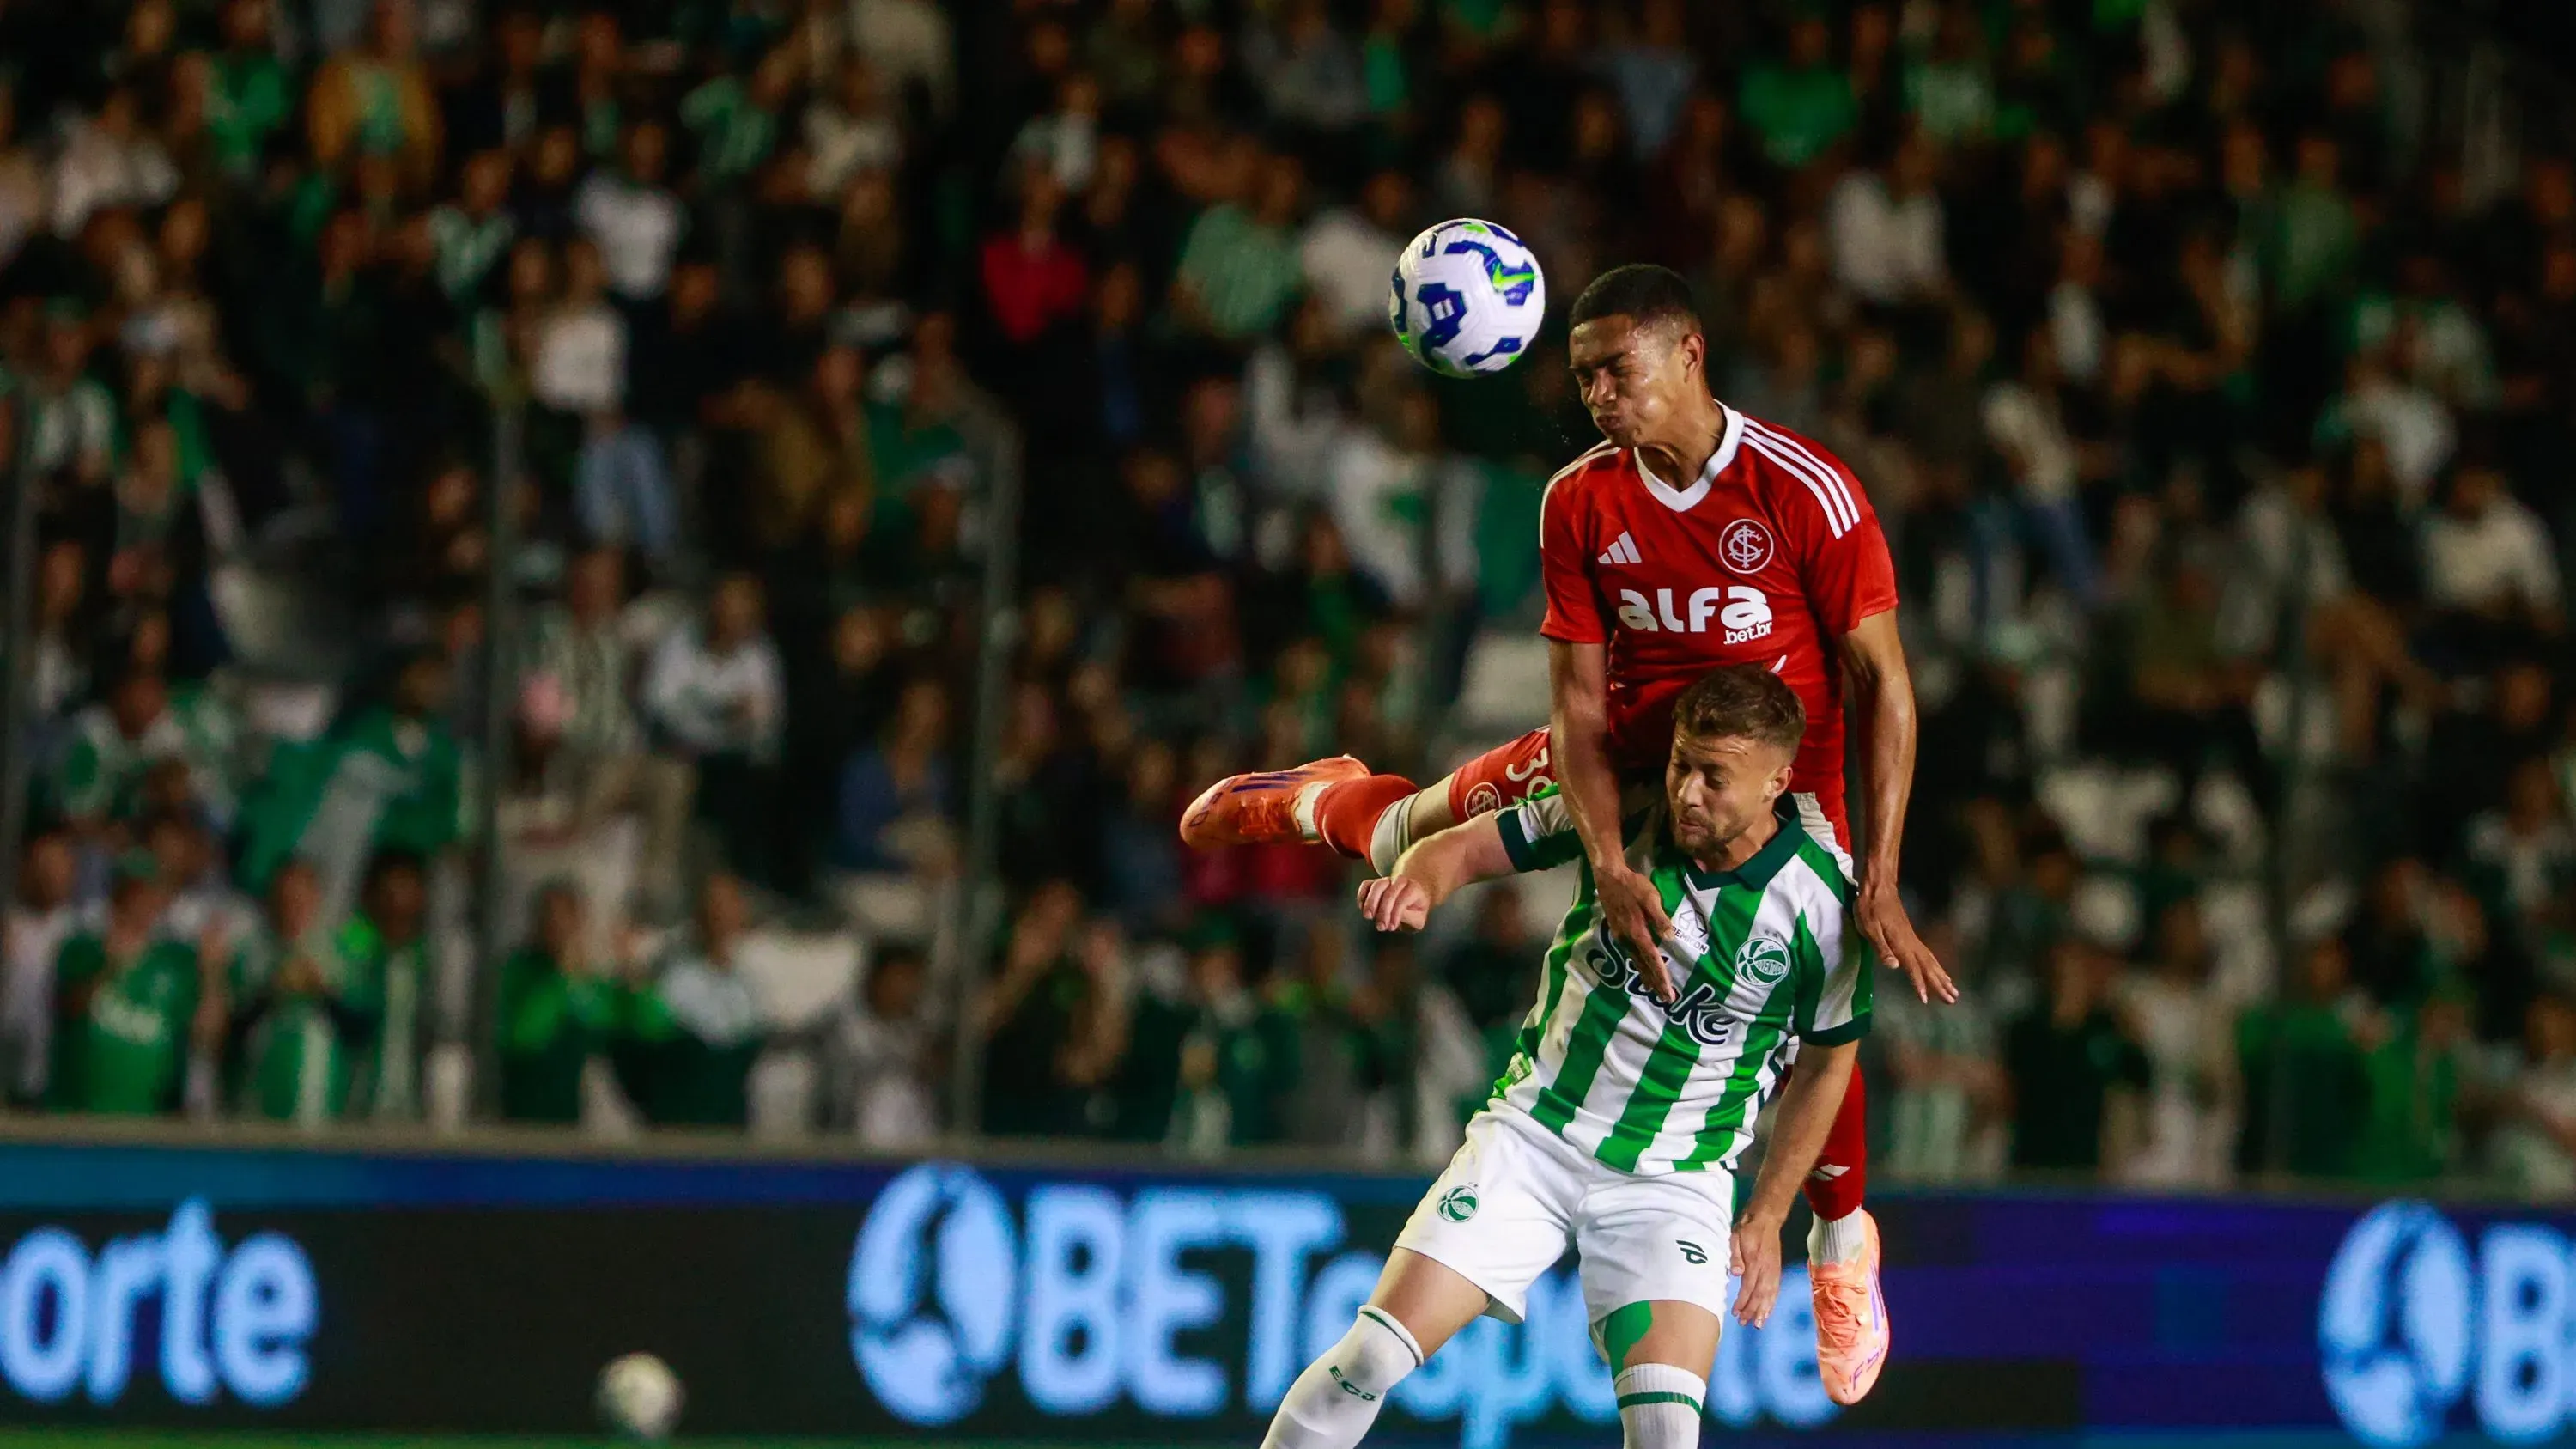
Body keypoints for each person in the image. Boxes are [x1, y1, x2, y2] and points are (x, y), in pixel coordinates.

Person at [1182, 263, 1946, 1403]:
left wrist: (1880, 867)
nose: (1597, 392)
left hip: (1781, 771)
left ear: (1688, 353)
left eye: (1616, 368)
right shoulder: (1580, 499)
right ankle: (1317, 794)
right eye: (1582, 373)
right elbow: (1579, 707)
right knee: (1413, 835)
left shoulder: (1804, 490)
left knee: (1822, 983)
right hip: (1639, 753)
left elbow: (1886, 679)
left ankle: (1844, 1240)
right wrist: (1601, 851)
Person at [1260, 666, 1869, 1449]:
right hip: (1533, 1136)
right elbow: (1470, 846)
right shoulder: (1621, 814)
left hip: (1673, 1178)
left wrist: (1769, 1211)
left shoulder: (1822, 903)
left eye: (1716, 777)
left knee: (1664, 1435)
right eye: (1684, 763)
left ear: (1778, 781)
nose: (1688, 791)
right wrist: (1420, 882)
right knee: (1371, 1355)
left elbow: (1828, 1062)